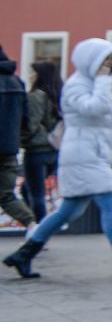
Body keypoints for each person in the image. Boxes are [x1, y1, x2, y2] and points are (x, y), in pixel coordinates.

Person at [3, 40, 112, 280]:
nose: (110, 65)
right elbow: (93, 109)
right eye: (106, 60)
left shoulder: (90, 84)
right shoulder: (78, 85)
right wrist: (104, 83)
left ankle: (24, 254)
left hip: (89, 155)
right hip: (84, 156)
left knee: (68, 211)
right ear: (90, 60)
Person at [21, 63, 62, 221]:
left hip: (36, 150)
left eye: (32, 72)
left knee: (35, 194)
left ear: (39, 75)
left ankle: (39, 233)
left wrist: (21, 140)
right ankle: (36, 227)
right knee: (28, 189)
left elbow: (30, 124)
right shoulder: (57, 95)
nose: (30, 75)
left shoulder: (36, 96)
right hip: (54, 149)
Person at [0, 47, 30, 231]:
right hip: (9, 148)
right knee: (7, 196)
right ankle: (34, 227)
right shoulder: (17, 82)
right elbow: (26, 120)